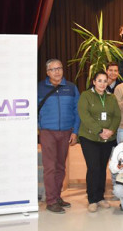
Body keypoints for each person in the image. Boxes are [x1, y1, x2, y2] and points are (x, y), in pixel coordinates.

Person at [38, 59, 80, 214]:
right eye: (53, 69)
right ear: (47, 72)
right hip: (48, 132)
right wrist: (39, 128)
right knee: (50, 167)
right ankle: (51, 201)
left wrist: (75, 131)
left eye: (59, 68)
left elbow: (77, 111)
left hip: (66, 132)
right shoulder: (39, 88)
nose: (57, 72)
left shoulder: (71, 88)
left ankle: (57, 196)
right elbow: (33, 110)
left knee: (61, 167)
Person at [77, 71, 121, 212]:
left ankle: (100, 197)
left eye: (105, 81)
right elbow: (85, 115)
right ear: (94, 82)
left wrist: (111, 131)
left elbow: (117, 116)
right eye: (99, 81)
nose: (102, 84)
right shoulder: (86, 96)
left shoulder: (111, 97)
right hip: (89, 137)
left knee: (102, 168)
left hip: (107, 139)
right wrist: (100, 131)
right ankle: (92, 199)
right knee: (93, 167)